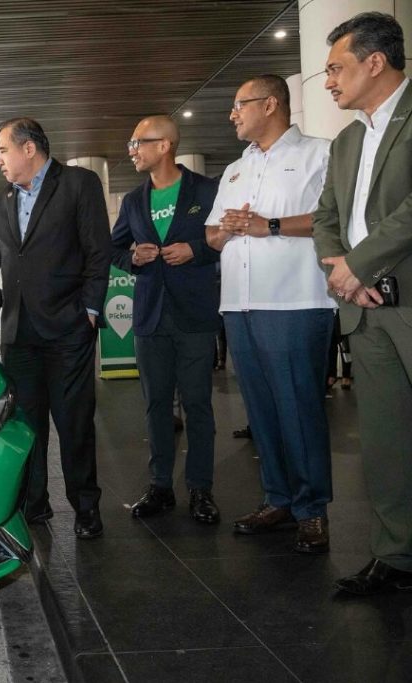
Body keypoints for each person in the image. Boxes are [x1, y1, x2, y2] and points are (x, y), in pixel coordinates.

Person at [0, 116, 112, 539]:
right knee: (27, 426)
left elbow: (98, 252)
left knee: (74, 424)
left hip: (68, 328)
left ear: (29, 148)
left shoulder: (78, 184)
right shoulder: (2, 199)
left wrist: (89, 310)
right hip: (19, 334)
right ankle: (34, 504)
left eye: (2, 150)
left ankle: (86, 508)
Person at [205, 74, 336, 554]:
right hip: (239, 305)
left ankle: (311, 508)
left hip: (295, 301)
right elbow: (211, 235)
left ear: (271, 104)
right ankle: (278, 499)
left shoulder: (320, 153)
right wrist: (228, 229)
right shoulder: (235, 169)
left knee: (299, 408)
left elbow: (331, 218)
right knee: (261, 410)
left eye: (240, 104)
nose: (232, 114)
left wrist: (270, 225)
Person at [311, 12, 412, 595]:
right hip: (365, 309)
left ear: (375, 62)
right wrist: (341, 271)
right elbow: (327, 217)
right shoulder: (348, 140)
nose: (328, 81)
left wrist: (360, 263)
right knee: (386, 441)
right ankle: (396, 554)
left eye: (335, 68)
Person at [110, 115, 222, 524]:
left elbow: (225, 237)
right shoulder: (133, 201)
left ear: (165, 146)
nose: (132, 151)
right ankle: (160, 486)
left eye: (138, 142)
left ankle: (200, 489)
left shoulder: (207, 190)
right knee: (156, 405)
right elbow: (113, 248)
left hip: (194, 314)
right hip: (150, 316)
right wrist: (132, 257)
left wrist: (196, 249)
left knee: (198, 405)